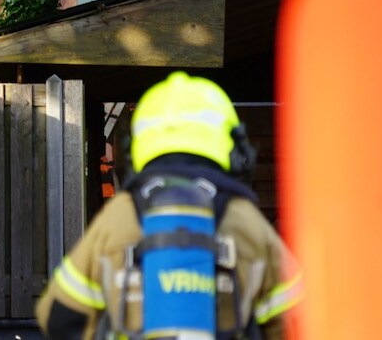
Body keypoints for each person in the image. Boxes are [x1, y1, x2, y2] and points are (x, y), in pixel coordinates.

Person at [36, 71, 302, 339]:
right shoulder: (247, 222)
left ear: (135, 148)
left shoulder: (118, 217)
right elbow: (300, 321)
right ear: (234, 147)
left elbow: (58, 317)